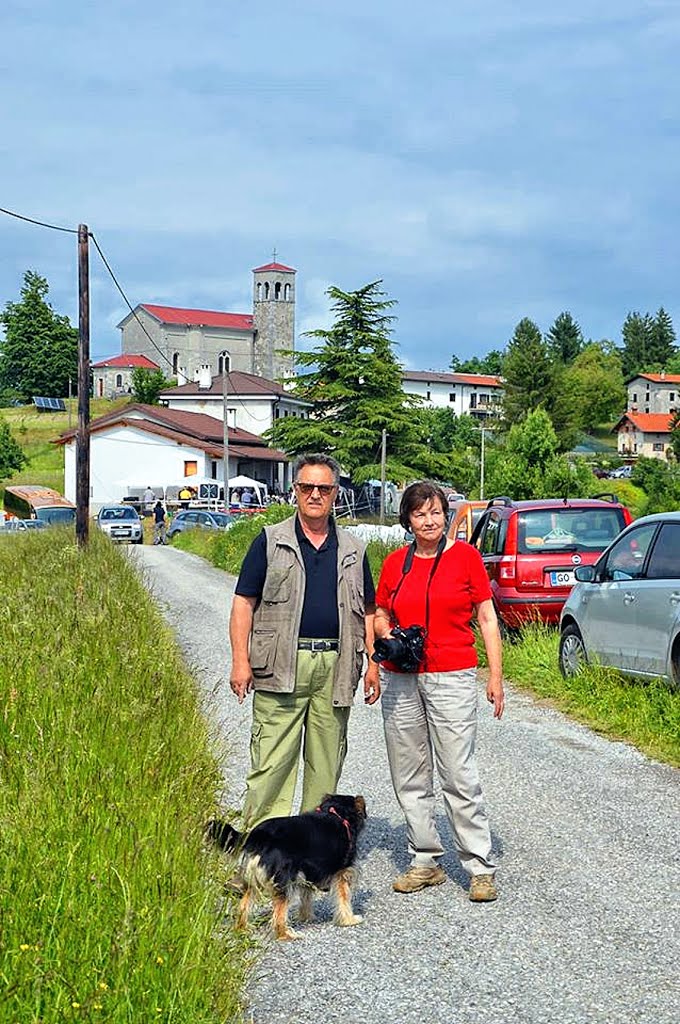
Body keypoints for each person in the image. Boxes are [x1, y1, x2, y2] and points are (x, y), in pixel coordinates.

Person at [229, 452, 379, 829]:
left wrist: (373, 665)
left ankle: (309, 863)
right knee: (271, 767)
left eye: (324, 488)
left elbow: (370, 613)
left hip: (335, 669)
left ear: (335, 494)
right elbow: (244, 603)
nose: (315, 495)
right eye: (307, 487)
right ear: (294, 490)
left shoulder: (354, 550)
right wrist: (240, 660)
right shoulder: (268, 541)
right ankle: (258, 860)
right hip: (280, 666)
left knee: (325, 770)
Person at [373, 480, 504, 902]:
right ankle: (425, 859)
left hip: (452, 674)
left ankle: (479, 866)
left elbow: (486, 618)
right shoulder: (396, 563)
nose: (428, 521)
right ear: (407, 520)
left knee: (458, 772)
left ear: (447, 515)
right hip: (401, 675)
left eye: (435, 512)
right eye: (419, 514)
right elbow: (379, 611)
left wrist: (495, 676)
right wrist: (386, 636)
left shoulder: (466, 558)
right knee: (409, 772)